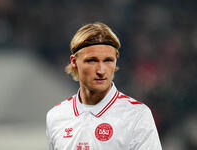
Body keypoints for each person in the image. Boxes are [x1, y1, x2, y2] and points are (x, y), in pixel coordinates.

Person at [46, 22, 162, 150]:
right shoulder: (56, 116)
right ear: (74, 62)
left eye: (108, 60)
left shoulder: (137, 115)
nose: (101, 70)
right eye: (92, 60)